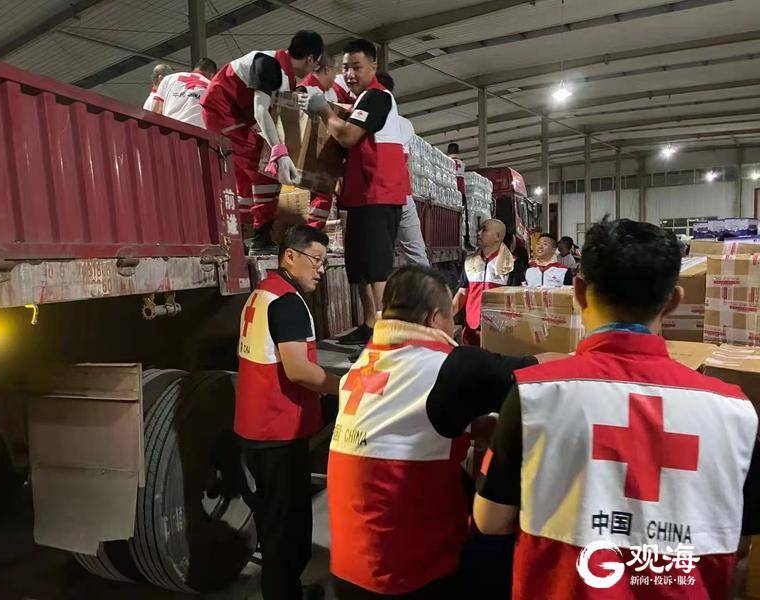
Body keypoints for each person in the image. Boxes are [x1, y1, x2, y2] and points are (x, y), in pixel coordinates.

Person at [473, 219, 760, 599]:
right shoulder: (735, 411)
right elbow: (740, 544)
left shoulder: (534, 395)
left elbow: (490, 520)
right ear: (674, 301)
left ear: (578, 292)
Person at [328, 265, 551, 599]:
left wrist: (472, 426)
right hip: (407, 574)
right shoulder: (447, 366)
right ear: (434, 319)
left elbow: (408, 423)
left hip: (347, 567)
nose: (454, 327)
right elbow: (548, 371)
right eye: (451, 317)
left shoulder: (365, 363)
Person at [235, 225, 340, 600]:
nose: (321, 269)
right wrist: (348, 387)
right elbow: (299, 371)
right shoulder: (288, 302)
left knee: (275, 525)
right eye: (316, 260)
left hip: (257, 428)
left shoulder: (263, 293)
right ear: (290, 256)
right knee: (286, 530)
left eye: (324, 262)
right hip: (278, 432)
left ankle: (287, 589)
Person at [298, 39, 410, 346]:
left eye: (356, 67)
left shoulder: (377, 97)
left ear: (373, 66)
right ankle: (370, 324)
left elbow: (347, 136)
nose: (349, 74)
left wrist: (324, 110)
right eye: (345, 68)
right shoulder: (362, 100)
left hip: (378, 194)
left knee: (377, 268)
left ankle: (386, 334)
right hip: (361, 195)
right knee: (360, 267)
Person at [201, 31, 324, 255]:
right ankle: (260, 236)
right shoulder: (270, 65)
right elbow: (260, 111)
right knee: (265, 169)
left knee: (246, 184)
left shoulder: (283, 73)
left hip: (233, 115)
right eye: (316, 65)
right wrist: (280, 152)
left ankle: (239, 236)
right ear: (310, 59)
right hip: (223, 112)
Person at [376, 70, 429, 267]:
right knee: (417, 253)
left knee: (380, 253)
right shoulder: (405, 124)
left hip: (382, 196)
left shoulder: (373, 120)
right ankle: (428, 285)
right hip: (404, 194)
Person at [453, 219, 514, 345]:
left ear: (497, 236)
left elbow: (515, 301)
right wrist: (446, 316)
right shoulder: (469, 262)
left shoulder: (511, 265)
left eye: (484, 230)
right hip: (471, 330)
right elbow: (462, 293)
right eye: (479, 229)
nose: (479, 233)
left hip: (499, 331)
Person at [296, 54, 338, 231]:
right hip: (311, 154)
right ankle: (311, 232)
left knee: (323, 195)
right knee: (321, 194)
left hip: (320, 152)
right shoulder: (307, 89)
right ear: (327, 70)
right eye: (335, 71)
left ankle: (313, 231)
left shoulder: (328, 92)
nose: (335, 77)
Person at [151, 58, 216, 128]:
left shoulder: (168, 78)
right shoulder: (212, 88)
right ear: (211, 74)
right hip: (197, 131)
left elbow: (155, 111)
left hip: (170, 129)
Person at [448, 142, 471, 249]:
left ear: (448, 151)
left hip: (450, 193)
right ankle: (466, 240)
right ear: (458, 151)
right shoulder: (462, 164)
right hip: (461, 192)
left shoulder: (446, 162)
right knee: (464, 218)